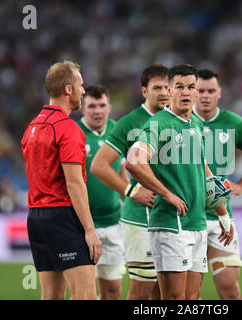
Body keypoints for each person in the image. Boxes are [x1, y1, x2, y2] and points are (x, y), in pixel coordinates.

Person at [125, 64, 234, 300]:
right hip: (170, 225)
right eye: (179, 86)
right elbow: (134, 162)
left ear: (196, 91)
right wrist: (167, 194)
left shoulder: (195, 124)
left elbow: (204, 171)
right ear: (170, 90)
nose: (186, 92)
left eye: (191, 87)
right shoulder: (159, 124)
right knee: (174, 299)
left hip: (197, 223)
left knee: (191, 297)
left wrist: (224, 215)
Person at [21, 61, 101, 300]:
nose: (84, 91)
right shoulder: (68, 128)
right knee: (84, 295)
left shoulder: (32, 127)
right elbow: (74, 182)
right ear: (68, 89)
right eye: (80, 85)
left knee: (51, 296)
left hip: (36, 219)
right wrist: (89, 230)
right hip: (63, 217)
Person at [90, 64, 169, 299]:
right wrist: (131, 190)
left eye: (167, 87)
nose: (164, 92)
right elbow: (99, 165)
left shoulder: (180, 119)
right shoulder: (131, 121)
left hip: (172, 215)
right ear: (145, 91)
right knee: (141, 291)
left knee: (166, 290)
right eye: (157, 88)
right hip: (141, 217)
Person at [193, 69, 242, 299]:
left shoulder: (232, 122)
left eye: (211, 91)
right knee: (189, 294)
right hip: (189, 219)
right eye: (200, 90)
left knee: (231, 290)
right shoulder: (180, 122)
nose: (205, 96)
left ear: (220, 93)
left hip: (222, 219)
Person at [77, 85, 127, 300]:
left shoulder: (118, 131)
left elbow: (124, 175)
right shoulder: (74, 134)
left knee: (113, 292)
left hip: (114, 224)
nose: (97, 111)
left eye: (102, 105)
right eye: (92, 106)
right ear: (82, 109)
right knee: (84, 293)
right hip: (82, 226)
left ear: (109, 107)